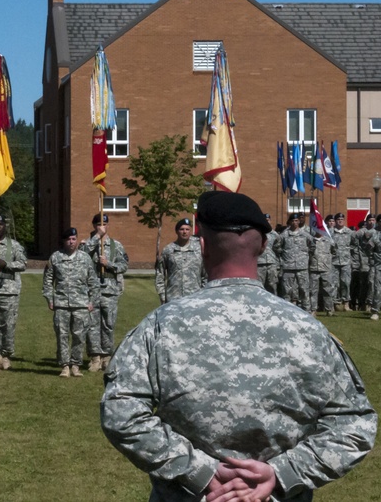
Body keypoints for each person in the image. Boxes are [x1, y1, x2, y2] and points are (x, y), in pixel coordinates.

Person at [101, 190, 376, 502]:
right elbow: (354, 424)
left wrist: (199, 471)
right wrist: (283, 473)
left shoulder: (161, 326)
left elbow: (121, 411)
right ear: (263, 245)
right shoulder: (309, 330)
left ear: (202, 245)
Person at [43, 227, 99, 378]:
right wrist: (50, 298)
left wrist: (92, 301)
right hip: (61, 303)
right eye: (68, 239)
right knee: (62, 335)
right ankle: (65, 366)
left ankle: (75, 365)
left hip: (81, 304)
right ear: (64, 241)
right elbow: (48, 280)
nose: (71, 242)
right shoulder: (55, 257)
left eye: (74, 239)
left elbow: (93, 281)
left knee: (79, 336)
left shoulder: (85, 258)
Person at [81, 213, 128, 373]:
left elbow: (124, 265)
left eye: (105, 224)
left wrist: (109, 264)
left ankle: (107, 356)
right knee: (92, 325)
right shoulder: (87, 244)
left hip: (109, 291)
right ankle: (95, 357)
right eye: (99, 224)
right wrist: (97, 237)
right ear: (94, 225)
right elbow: (80, 257)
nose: (102, 227)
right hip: (92, 291)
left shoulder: (116, 246)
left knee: (108, 324)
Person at [0, 215, 27, 371]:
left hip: (9, 290)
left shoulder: (13, 245)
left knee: (8, 325)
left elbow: (23, 264)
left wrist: (6, 264)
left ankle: (6, 354)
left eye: (1, 225)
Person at [155, 218, 204, 304]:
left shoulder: (198, 250)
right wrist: (162, 295)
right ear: (177, 231)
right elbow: (160, 274)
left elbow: (205, 275)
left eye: (187, 229)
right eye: (182, 229)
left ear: (190, 231)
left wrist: (203, 294)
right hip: (173, 299)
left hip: (194, 299)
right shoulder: (168, 250)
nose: (184, 232)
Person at [275, 212, 315, 313]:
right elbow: (276, 247)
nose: (294, 222)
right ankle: (287, 311)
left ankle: (307, 311)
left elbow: (313, 247)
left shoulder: (306, 235)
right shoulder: (284, 235)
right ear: (289, 222)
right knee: (287, 291)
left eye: (296, 220)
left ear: (299, 221)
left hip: (302, 267)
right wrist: (284, 256)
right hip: (288, 267)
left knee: (304, 290)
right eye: (292, 220)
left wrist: (305, 257)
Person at [331, 213, 354, 311]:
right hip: (333, 262)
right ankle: (335, 304)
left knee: (346, 283)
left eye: (342, 219)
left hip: (346, 262)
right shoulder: (330, 232)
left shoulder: (349, 232)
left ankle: (346, 303)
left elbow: (355, 246)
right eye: (338, 219)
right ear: (335, 221)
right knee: (334, 283)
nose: (340, 221)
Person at [257, 213, 280, 295]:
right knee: (259, 286)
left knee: (272, 286)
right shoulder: (258, 233)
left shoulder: (274, 234)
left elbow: (278, 249)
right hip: (259, 263)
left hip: (271, 264)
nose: (267, 222)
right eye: (265, 220)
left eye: (268, 220)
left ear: (270, 221)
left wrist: (278, 264)